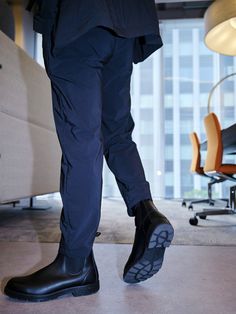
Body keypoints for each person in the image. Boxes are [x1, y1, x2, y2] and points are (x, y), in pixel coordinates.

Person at [4, 0, 174, 302]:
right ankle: (146, 213)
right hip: (125, 21)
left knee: (81, 139)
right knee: (117, 132)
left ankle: (75, 263)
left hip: (76, 17)